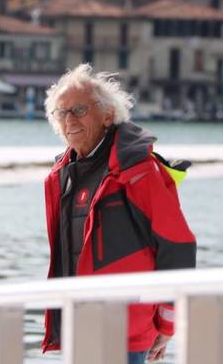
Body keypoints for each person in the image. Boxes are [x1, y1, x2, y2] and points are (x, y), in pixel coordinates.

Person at [41, 64, 197, 363]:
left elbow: (178, 245)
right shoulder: (62, 174)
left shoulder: (138, 170)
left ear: (108, 116)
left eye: (79, 109)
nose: (69, 119)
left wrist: (167, 322)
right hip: (79, 325)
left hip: (124, 331)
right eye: (61, 113)